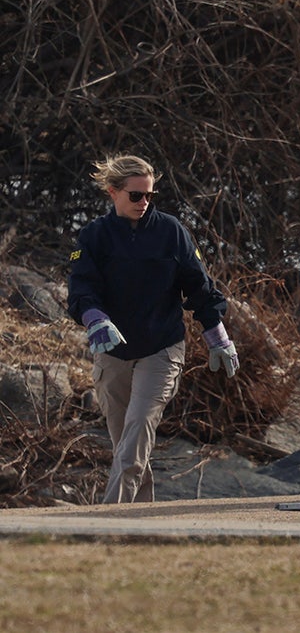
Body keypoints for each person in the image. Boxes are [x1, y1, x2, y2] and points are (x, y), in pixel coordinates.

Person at [68, 154, 239, 504]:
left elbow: (199, 287)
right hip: (111, 353)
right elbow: (81, 289)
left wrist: (216, 335)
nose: (144, 202)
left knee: (137, 431)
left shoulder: (171, 232)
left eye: (149, 195)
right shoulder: (94, 237)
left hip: (161, 349)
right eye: (135, 195)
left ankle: (104, 524)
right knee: (127, 446)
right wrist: (95, 318)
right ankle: (139, 529)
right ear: (113, 192)